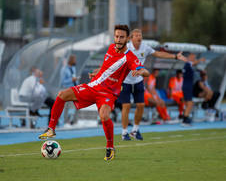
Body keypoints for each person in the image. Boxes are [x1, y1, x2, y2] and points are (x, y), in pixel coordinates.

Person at [39, 24, 150, 161]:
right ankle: (51, 129)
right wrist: (96, 73)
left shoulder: (130, 57)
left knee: (104, 116)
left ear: (127, 38)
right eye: (116, 36)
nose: (118, 39)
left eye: (122, 37)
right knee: (62, 95)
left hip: (108, 93)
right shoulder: (110, 48)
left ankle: (110, 147)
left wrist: (140, 71)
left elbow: (146, 71)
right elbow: (105, 67)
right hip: (93, 87)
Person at [119, 29, 187, 141]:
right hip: (125, 81)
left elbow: (158, 53)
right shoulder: (126, 48)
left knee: (141, 105)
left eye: (140, 35)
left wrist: (174, 56)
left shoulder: (145, 47)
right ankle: (124, 132)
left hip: (138, 81)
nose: (138, 37)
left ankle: (135, 130)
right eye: (136, 35)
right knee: (126, 106)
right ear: (131, 38)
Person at [182, 53, 205, 126]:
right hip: (187, 86)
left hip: (187, 86)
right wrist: (200, 60)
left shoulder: (188, 65)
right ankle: (185, 120)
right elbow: (193, 63)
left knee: (189, 103)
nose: (194, 59)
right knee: (189, 103)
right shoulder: (188, 64)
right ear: (189, 57)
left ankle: (186, 118)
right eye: (193, 57)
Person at [60, 55, 79, 125]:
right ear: (70, 60)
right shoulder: (64, 69)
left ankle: (74, 120)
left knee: (79, 104)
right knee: (66, 106)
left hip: (74, 88)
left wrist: (76, 81)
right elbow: (62, 82)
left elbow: (73, 77)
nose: (75, 61)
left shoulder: (73, 68)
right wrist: (71, 80)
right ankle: (65, 121)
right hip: (67, 89)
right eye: (74, 59)